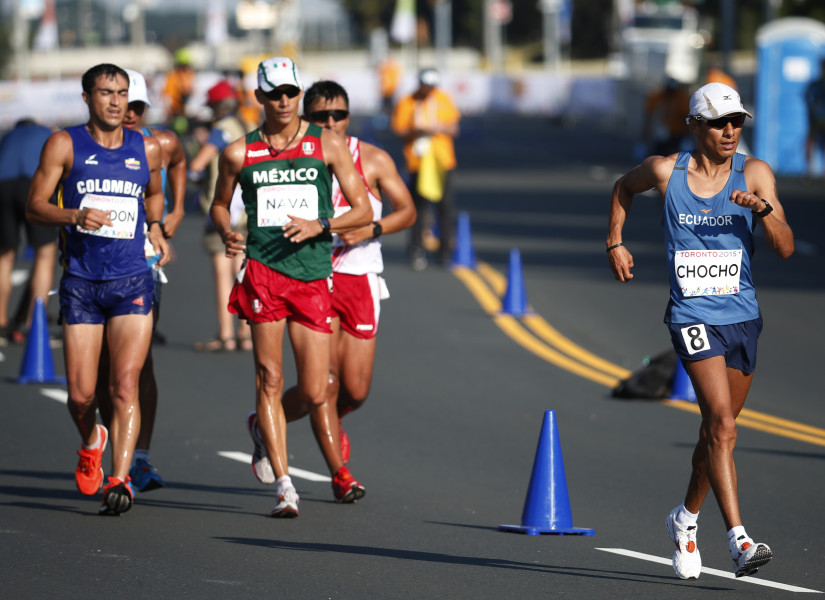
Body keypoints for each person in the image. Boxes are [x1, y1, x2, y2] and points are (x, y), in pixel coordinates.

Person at [606, 82, 794, 579]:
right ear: (694, 126)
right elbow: (623, 187)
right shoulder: (666, 173)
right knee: (723, 426)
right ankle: (739, 541)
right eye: (718, 123)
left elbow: (786, 248)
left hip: (744, 317)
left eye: (736, 122)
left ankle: (684, 519)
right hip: (692, 317)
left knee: (717, 432)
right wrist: (615, 243)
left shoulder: (755, 173)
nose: (730, 131)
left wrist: (763, 210)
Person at [210, 57, 372, 518]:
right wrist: (227, 231)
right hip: (264, 273)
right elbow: (220, 205)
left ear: (299, 94)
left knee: (317, 388)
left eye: (291, 92)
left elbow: (361, 209)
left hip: (313, 275)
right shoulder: (239, 152)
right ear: (259, 97)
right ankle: (285, 485)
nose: (283, 101)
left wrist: (321, 223)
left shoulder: (328, 145)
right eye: (274, 93)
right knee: (270, 377)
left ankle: (262, 428)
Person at [248, 80, 416, 499]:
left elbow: (408, 210)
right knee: (322, 381)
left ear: (347, 116)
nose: (330, 122)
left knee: (355, 389)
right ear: (308, 117)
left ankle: (268, 422)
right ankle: (340, 475)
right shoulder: (295, 158)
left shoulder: (372, 158)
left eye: (338, 115)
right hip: (315, 277)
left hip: (359, 278)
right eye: (321, 116)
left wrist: (372, 228)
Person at [26, 64, 169, 515]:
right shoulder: (64, 143)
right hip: (83, 283)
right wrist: (74, 217)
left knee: (125, 385)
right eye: (106, 93)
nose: (115, 102)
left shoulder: (146, 148)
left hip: (131, 281)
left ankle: (120, 479)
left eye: (122, 93)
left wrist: (158, 227)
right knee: (82, 395)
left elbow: (154, 194)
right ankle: (92, 439)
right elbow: (35, 206)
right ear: (87, 97)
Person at [95, 69, 186, 493]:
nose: (127, 113)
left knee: (137, 365)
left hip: (143, 264)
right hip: (91, 266)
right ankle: (100, 442)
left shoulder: (159, 143)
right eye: (121, 103)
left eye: (136, 106)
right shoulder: (83, 142)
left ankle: (139, 458)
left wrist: (176, 210)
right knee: (100, 371)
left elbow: (180, 162)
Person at [189, 80, 253, 352]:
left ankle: (225, 334)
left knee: (221, 272)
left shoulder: (220, 130)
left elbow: (197, 164)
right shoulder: (249, 127)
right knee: (243, 270)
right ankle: (245, 333)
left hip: (223, 209)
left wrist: (198, 175)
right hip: (248, 209)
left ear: (216, 107)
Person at [391, 67, 460, 271]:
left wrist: (438, 128)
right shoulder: (407, 101)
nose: (429, 90)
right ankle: (416, 250)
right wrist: (415, 130)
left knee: (444, 207)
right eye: (425, 85)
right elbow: (398, 129)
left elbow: (455, 128)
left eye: (432, 86)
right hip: (417, 162)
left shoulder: (444, 99)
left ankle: (445, 252)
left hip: (442, 162)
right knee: (417, 209)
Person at [0, 118, 56, 345]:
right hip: (35, 183)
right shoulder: (47, 133)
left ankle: (1, 323)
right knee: (45, 254)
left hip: (3, 186)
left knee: (5, 256)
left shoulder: (8, 137)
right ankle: (34, 326)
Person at [641, 76, 691, 157]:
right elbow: (648, 115)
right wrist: (645, 133)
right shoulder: (657, 97)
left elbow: (687, 117)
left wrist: (687, 137)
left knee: (673, 156)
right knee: (657, 155)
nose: (670, 93)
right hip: (659, 132)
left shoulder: (681, 98)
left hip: (676, 133)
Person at [804, 57, 825, 177]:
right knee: (810, 143)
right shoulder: (816, 84)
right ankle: (809, 170)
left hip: (817, 119)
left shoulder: (817, 84)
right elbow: (807, 97)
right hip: (815, 120)